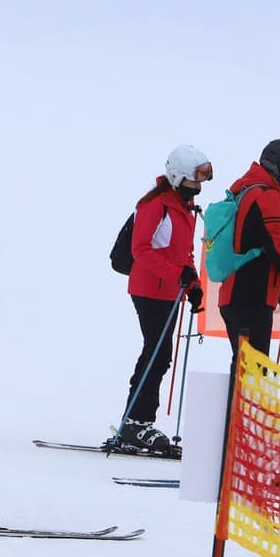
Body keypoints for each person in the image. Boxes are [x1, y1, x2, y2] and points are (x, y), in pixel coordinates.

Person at [112, 145, 212, 456]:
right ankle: (136, 422)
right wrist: (177, 274)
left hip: (169, 291)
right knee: (157, 353)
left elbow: (185, 254)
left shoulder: (187, 208)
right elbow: (142, 250)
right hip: (147, 289)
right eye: (194, 180)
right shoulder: (155, 205)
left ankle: (137, 421)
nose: (197, 187)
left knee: (159, 353)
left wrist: (192, 283)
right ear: (177, 176)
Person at [217, 139, 280, 358]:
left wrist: (274, 287)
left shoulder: (245, 190)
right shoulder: (267, 196)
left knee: (243, 369)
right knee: (253, 374)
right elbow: (276, 245)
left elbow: (253, 247)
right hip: (251, 301)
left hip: (235, 295)